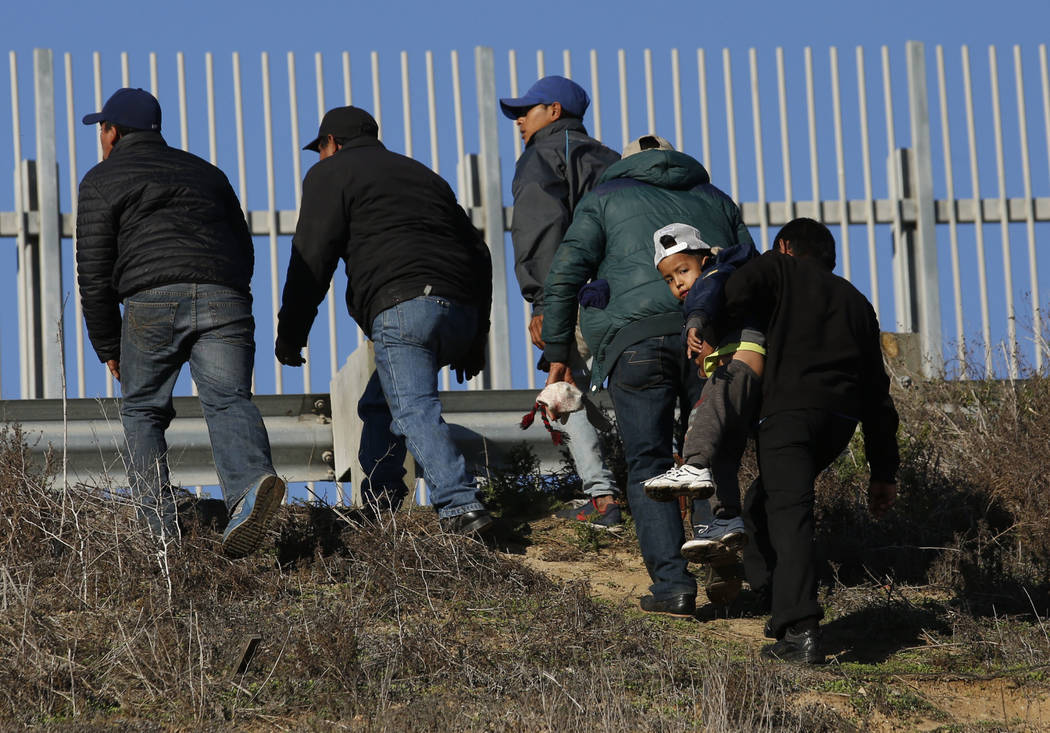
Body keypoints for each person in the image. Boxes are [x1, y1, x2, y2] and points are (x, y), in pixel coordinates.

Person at [542, 134, 754, 616]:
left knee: (648, 461)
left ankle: (672, 586)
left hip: (634, 344)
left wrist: (558, 351)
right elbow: (750, 270)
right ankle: (718, 547)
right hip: (710, 340)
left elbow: (565, 273)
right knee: (711, 447)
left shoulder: (604, 198)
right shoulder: (716, 199)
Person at [76, 88, 285, 557]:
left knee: (143, 410)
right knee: (230, 399)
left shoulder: (101, 179)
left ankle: (159, 534)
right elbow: (243, 248)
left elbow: (93, 272)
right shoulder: (208, 173)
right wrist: (231, 294)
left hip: (152, 301)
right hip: (224, 295)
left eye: (102, 129)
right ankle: (251, 490)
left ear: (112, 132)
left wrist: (108, 344)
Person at [275, 106, 494, 535]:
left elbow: (311, 260)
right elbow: (480, 251)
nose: (319, 157)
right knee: (379, 403)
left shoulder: (332, 173)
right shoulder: (424, 175)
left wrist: (291, 334)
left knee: (412, 408)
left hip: (404, 307)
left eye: (320, 148)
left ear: (332, 143)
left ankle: (461, 504)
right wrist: (476, 336)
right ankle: (380, 506)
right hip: (459, 310)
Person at [724, 218, 899, 664]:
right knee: (761, 504)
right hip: (839, 421)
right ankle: (774, 597)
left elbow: (735, 291)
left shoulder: (780, 269)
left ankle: (799, 630)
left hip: (787, 415)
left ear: (784, 246)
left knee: (789, 513)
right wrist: (883, 471)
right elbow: (879, 394)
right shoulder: (857, 302)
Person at [499, 76, 623, 529]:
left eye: (524, 112)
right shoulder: (612, 160)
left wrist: (541, 303)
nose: (518, 122)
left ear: (554, 110)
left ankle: (602, 496)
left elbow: (541, 231)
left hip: (574, 294)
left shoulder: (541, 157)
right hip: (627, 295)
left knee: (561, 383)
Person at [643, 222, 763, 563]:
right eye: (669, 278)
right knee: (723, 451)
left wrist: (695, 320)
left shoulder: (715, 275)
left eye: (683, 270)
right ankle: (725, 519)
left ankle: (693, 464)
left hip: (740, 367)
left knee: (704, 414)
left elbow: (705, 294)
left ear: (703, 259)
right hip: (740, 375)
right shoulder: (708, 285)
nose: (678, 282)